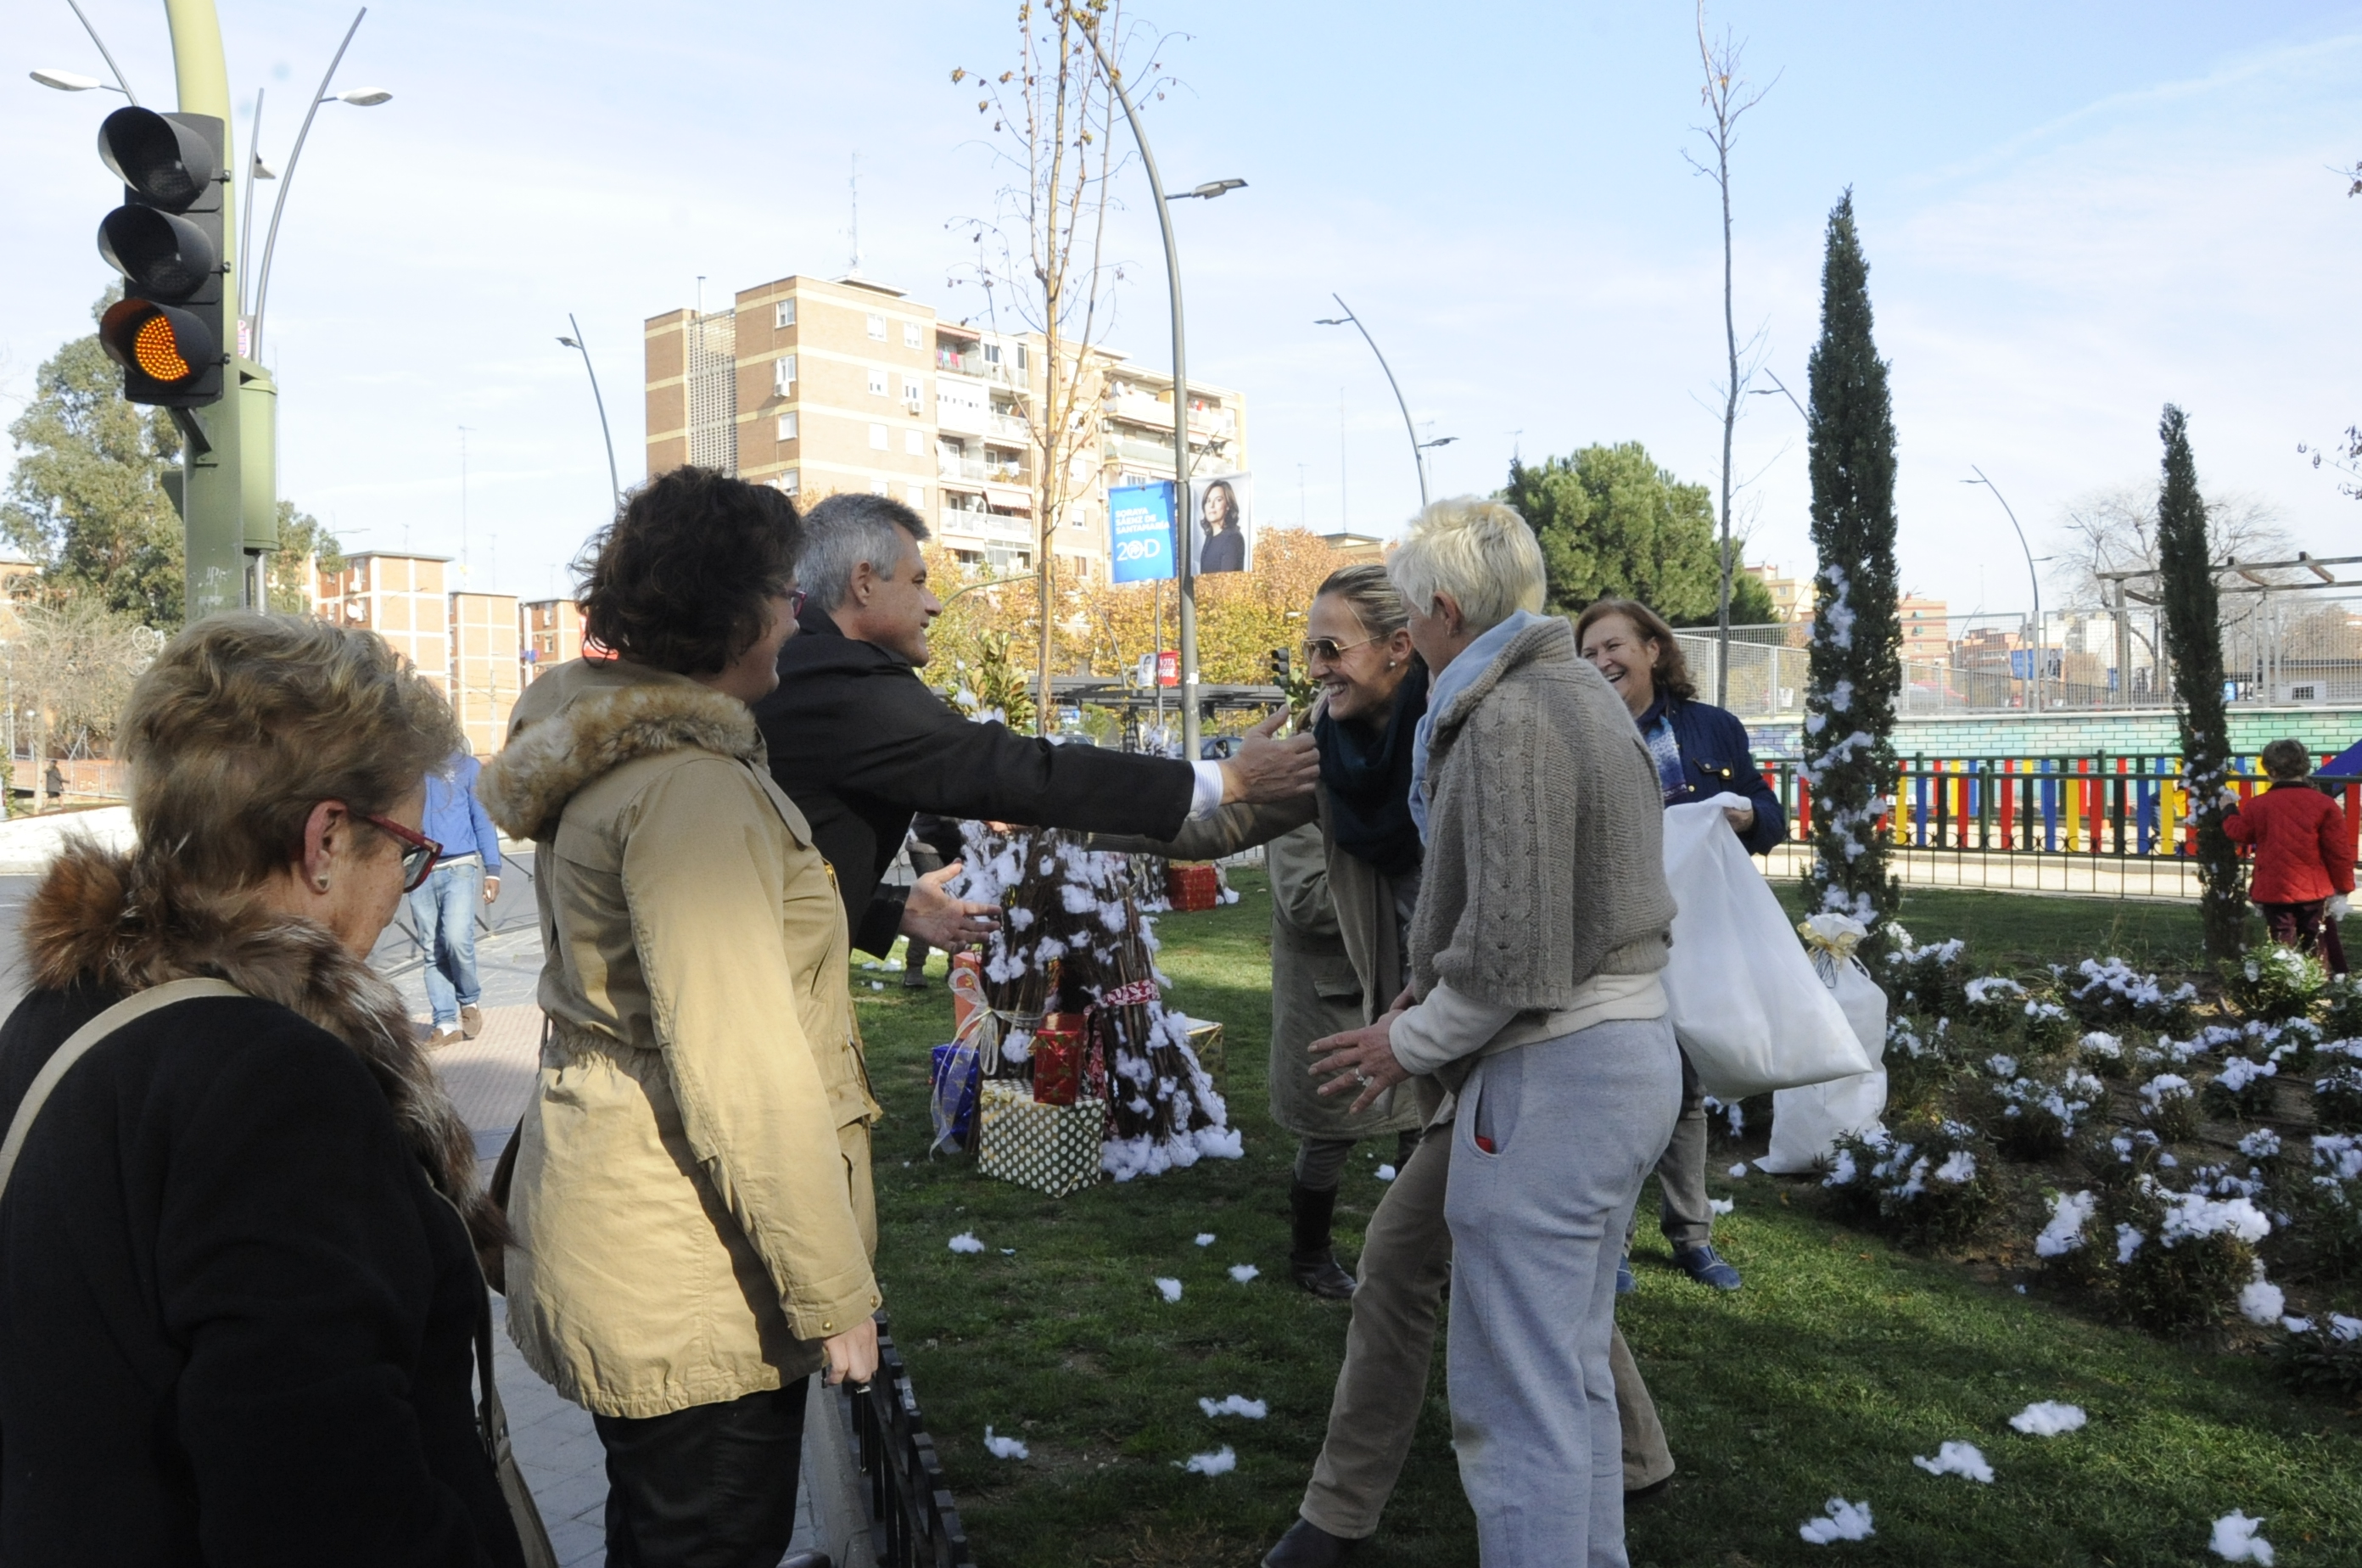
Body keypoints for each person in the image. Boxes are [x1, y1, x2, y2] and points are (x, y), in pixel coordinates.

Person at [1094, 562, 1673, 1567]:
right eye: (1308, 648)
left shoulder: (1482, 731)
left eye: (1332, 648)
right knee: (1505, 1269)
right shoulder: (1331, 756)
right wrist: (1056, 806)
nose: (1315, 667)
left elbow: (1522, 929)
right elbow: (1212, 825)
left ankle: (1342, 1517)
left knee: (1450, 1267)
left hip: (1513, 1045)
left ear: (1403, 644)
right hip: (1449, 1044)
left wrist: (1418, 1034)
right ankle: (1619, 1459)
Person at [0, 613, 524, 1564]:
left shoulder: (62, 1011)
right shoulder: (277, 1085)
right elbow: (328, 1508)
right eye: (406, 851)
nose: (405, 888)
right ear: (326, 840)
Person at [480, 468, 874, 1568]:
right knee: (700, 1536)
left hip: (635, 1232)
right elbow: (742, 1074)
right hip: (692, 1272)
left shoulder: (619, 750)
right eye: (784, 590)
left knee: (656, 1531)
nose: (797, 611)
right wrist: (835, 1294)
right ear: (732, 611)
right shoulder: (690, 789)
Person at [1310, 498, 1680, 1568]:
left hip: (1555, 1078)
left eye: (1405, 613)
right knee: (1565, 1378)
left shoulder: (1508, 713)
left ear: (1441, 609)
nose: (1403, 632)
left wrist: (1406, 1041)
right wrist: (1423, 1009)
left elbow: (1513, 951)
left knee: (1516, 1407)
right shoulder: (1574, 691)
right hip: (1617, 1060)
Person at [751, 492, 1317, 960]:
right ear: (863, 582)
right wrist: (1225, 779)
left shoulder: (814, 666)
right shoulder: (846, 680)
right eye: (918, 581)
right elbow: (1021, 771)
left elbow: (788, 877)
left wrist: (889, 912)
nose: (935, 604)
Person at [1577, 596, 1787, 1293]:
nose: (1601, 662)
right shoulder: (1580, 733)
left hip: (1701, 936)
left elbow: (1770, 813)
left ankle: (1692, 1235)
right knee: (1620, 1090)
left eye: (1613, 646)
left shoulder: (1713, 728)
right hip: (1615, 936)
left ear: (1653, 649)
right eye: (1588, 653)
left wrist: (1747, 814)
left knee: (1687, 1089)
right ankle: (1611, 1243)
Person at [2225, 738, 2352, 977]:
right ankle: (2319, 984)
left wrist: (2229, 809)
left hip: (2274, 887)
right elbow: (2338, 851)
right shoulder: (2324, 804)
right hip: (2313, 888)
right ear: (2305, 766)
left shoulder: (2258, 805)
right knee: (2316, 942)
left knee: (2282, 940)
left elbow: (2240, 833)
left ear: (2270, 770)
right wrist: (2344, 886)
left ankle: (2286, 984)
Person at [412, 748, 503, 1045]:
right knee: (431, 948)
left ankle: (469, 999)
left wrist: (493, 869)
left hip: (459, 865)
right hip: (419, 867)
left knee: (456, 939)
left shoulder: (466, 766)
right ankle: (445, 1023)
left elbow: (482, 819)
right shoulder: (408, 765)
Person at [1197, 478, 1247, 574]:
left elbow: (1226, 579)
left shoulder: (1233, 538)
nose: (1211, 505)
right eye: (1208, 500)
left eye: (1218, 500)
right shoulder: (1209, 537)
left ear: (1228, 505)